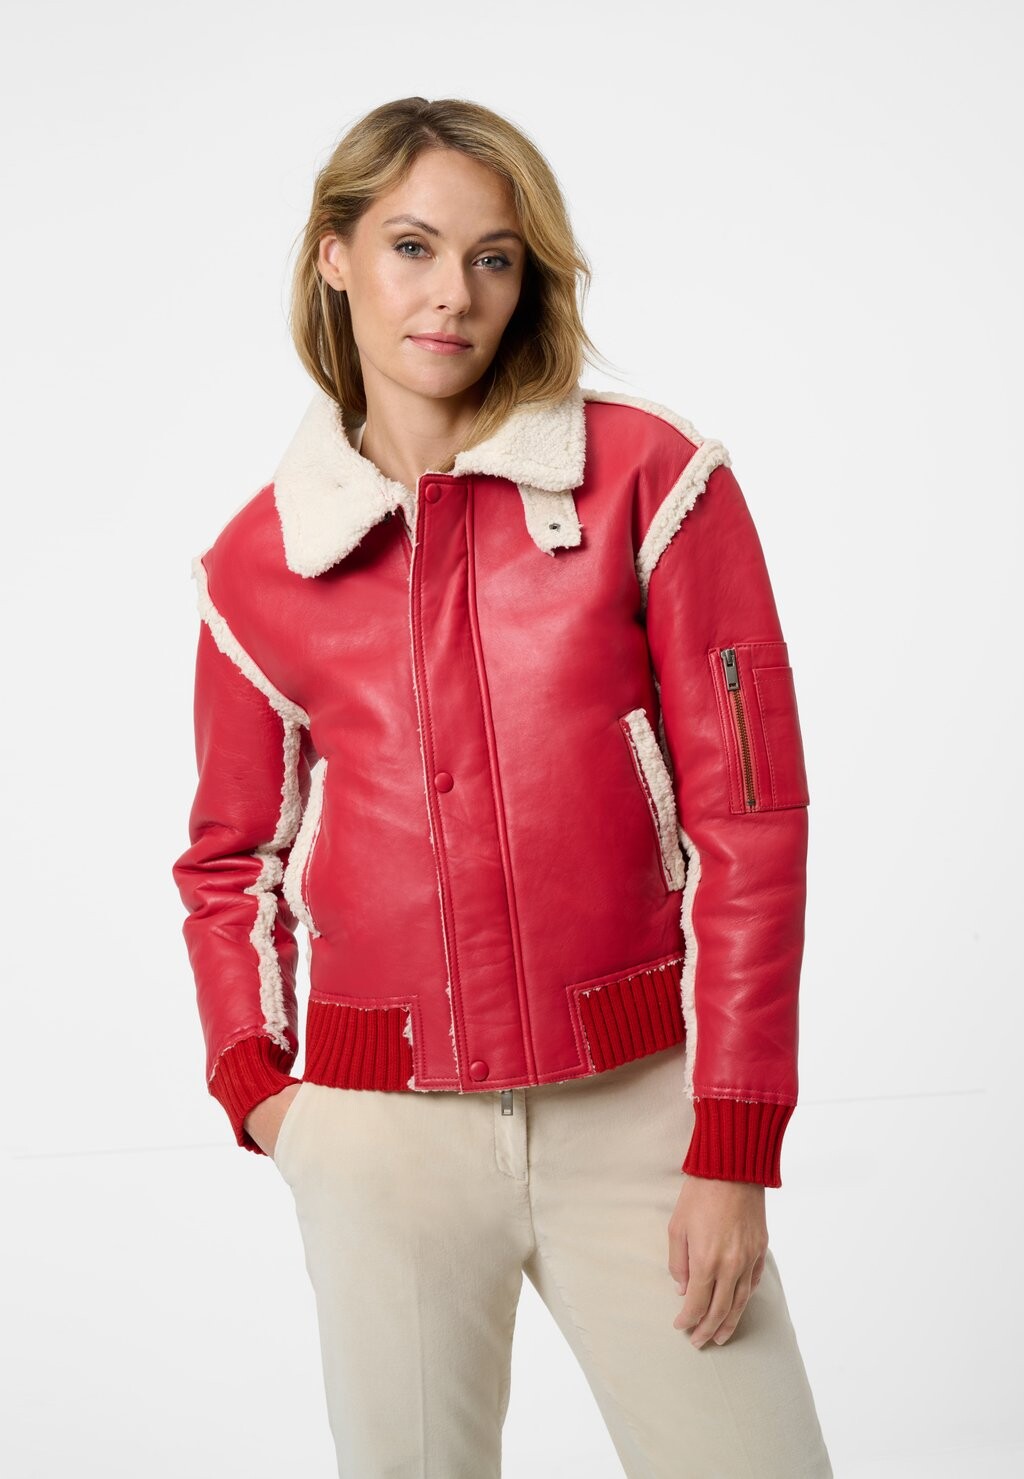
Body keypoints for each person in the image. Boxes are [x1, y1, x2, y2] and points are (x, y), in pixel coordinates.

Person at [171, 95, 834, 1479]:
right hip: (383, 1145)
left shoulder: (655, 480)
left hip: (644, 1114)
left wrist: (732, 1143)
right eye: (412, 247)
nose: (453, 295)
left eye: (494, 258)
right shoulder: (261, 563)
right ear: (335, 256)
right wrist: (268, 1095)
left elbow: (751, 822)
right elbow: (232, 860)